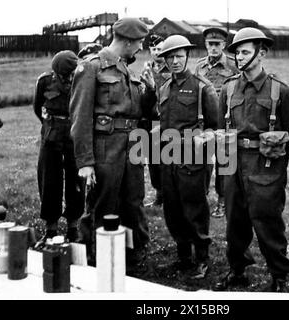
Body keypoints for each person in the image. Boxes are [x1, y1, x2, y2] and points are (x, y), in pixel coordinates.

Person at [214, 27, 289, 292]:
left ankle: (279, 276)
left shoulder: (281, 92)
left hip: (265, 166)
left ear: (261, 53)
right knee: (235, 222)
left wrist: (274, 162)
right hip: (233, 163)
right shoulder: (228, 89)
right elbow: (220, 128)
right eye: (237, 52)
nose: (239, 57)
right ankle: (237, 270)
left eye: (245, 52)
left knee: (268, 221)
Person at [69, 17, 156, 272]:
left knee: (133, 200)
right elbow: (80, 117)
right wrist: (85, 162)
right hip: (105, 146)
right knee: (102, 201)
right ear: (127, 41)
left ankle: (131, 253)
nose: (140, 48)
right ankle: (96, 255)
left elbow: (139, 111)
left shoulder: (127, 70)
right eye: (139, 42)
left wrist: (149, 92)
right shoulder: (91, 68)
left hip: (132, 146)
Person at [157, 35, 219, 279]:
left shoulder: (203, 87)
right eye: (170, 57)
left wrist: (201, 139)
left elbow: (214, 127)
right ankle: (183, 257)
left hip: (193, 160)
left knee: (194, 210)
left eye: (179, 56)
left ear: (187, 57)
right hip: (168, 157)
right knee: (172, 211)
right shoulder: (164, 87)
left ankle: (202, 259)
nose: (174, 61)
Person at [33, 50, 84, 245]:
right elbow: (38, 107)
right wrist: (49, 124)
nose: (68, 77)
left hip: (74, 134)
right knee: (49, 180)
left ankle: (73, 227)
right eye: (65, 74)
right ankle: (51, 229)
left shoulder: (81, 80)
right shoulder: (45, 81)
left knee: (76, 180)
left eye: (71, 73)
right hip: (51, 135)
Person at [195, 27, 239, 218]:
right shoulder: (199, 66)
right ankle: (201, 196)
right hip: (205, 121)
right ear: (205, 45)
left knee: (224, 162)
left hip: (226, 122)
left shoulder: (232, 66)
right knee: (202, 160)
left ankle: (222, 200)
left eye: (217, 44)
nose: (213, 48)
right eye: (210, 44)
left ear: (223, 45)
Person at [142, 34, 170, 208]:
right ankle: (159, 193)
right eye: (154, 49)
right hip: (150, 120)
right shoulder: (146, 69)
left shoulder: (173, 68)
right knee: (153, 160)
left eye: (160, 48)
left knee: (168, 158)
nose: (157, 52)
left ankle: (170, 195)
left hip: (167, 120)